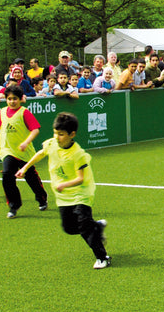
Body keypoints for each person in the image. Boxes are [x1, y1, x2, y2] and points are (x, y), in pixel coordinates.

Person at [19, 112, 112, 269]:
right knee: (69, 228)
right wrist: (25, 167)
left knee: (83, 225)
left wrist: (64, 185)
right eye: (55, 133)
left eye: (61, 134)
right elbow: (41, 153)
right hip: (64, 196)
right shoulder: (51, 143)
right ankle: (96, 228)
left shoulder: (78, 154)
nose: (57, 137)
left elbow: (80, 178)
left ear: (72, 134)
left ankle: (103, 257)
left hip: (82, 192)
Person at [0, 86, 49, 219]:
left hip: (24, 153)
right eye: (9, 99)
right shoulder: (2, 111)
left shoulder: (24, 112)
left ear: (20, 99)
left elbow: (35, 129)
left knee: (31, 178)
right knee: (7, 175)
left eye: (15, 99)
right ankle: (14, 205)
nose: (12, 101)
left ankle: (42, 198)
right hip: (8, 151)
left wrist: (26, 142)